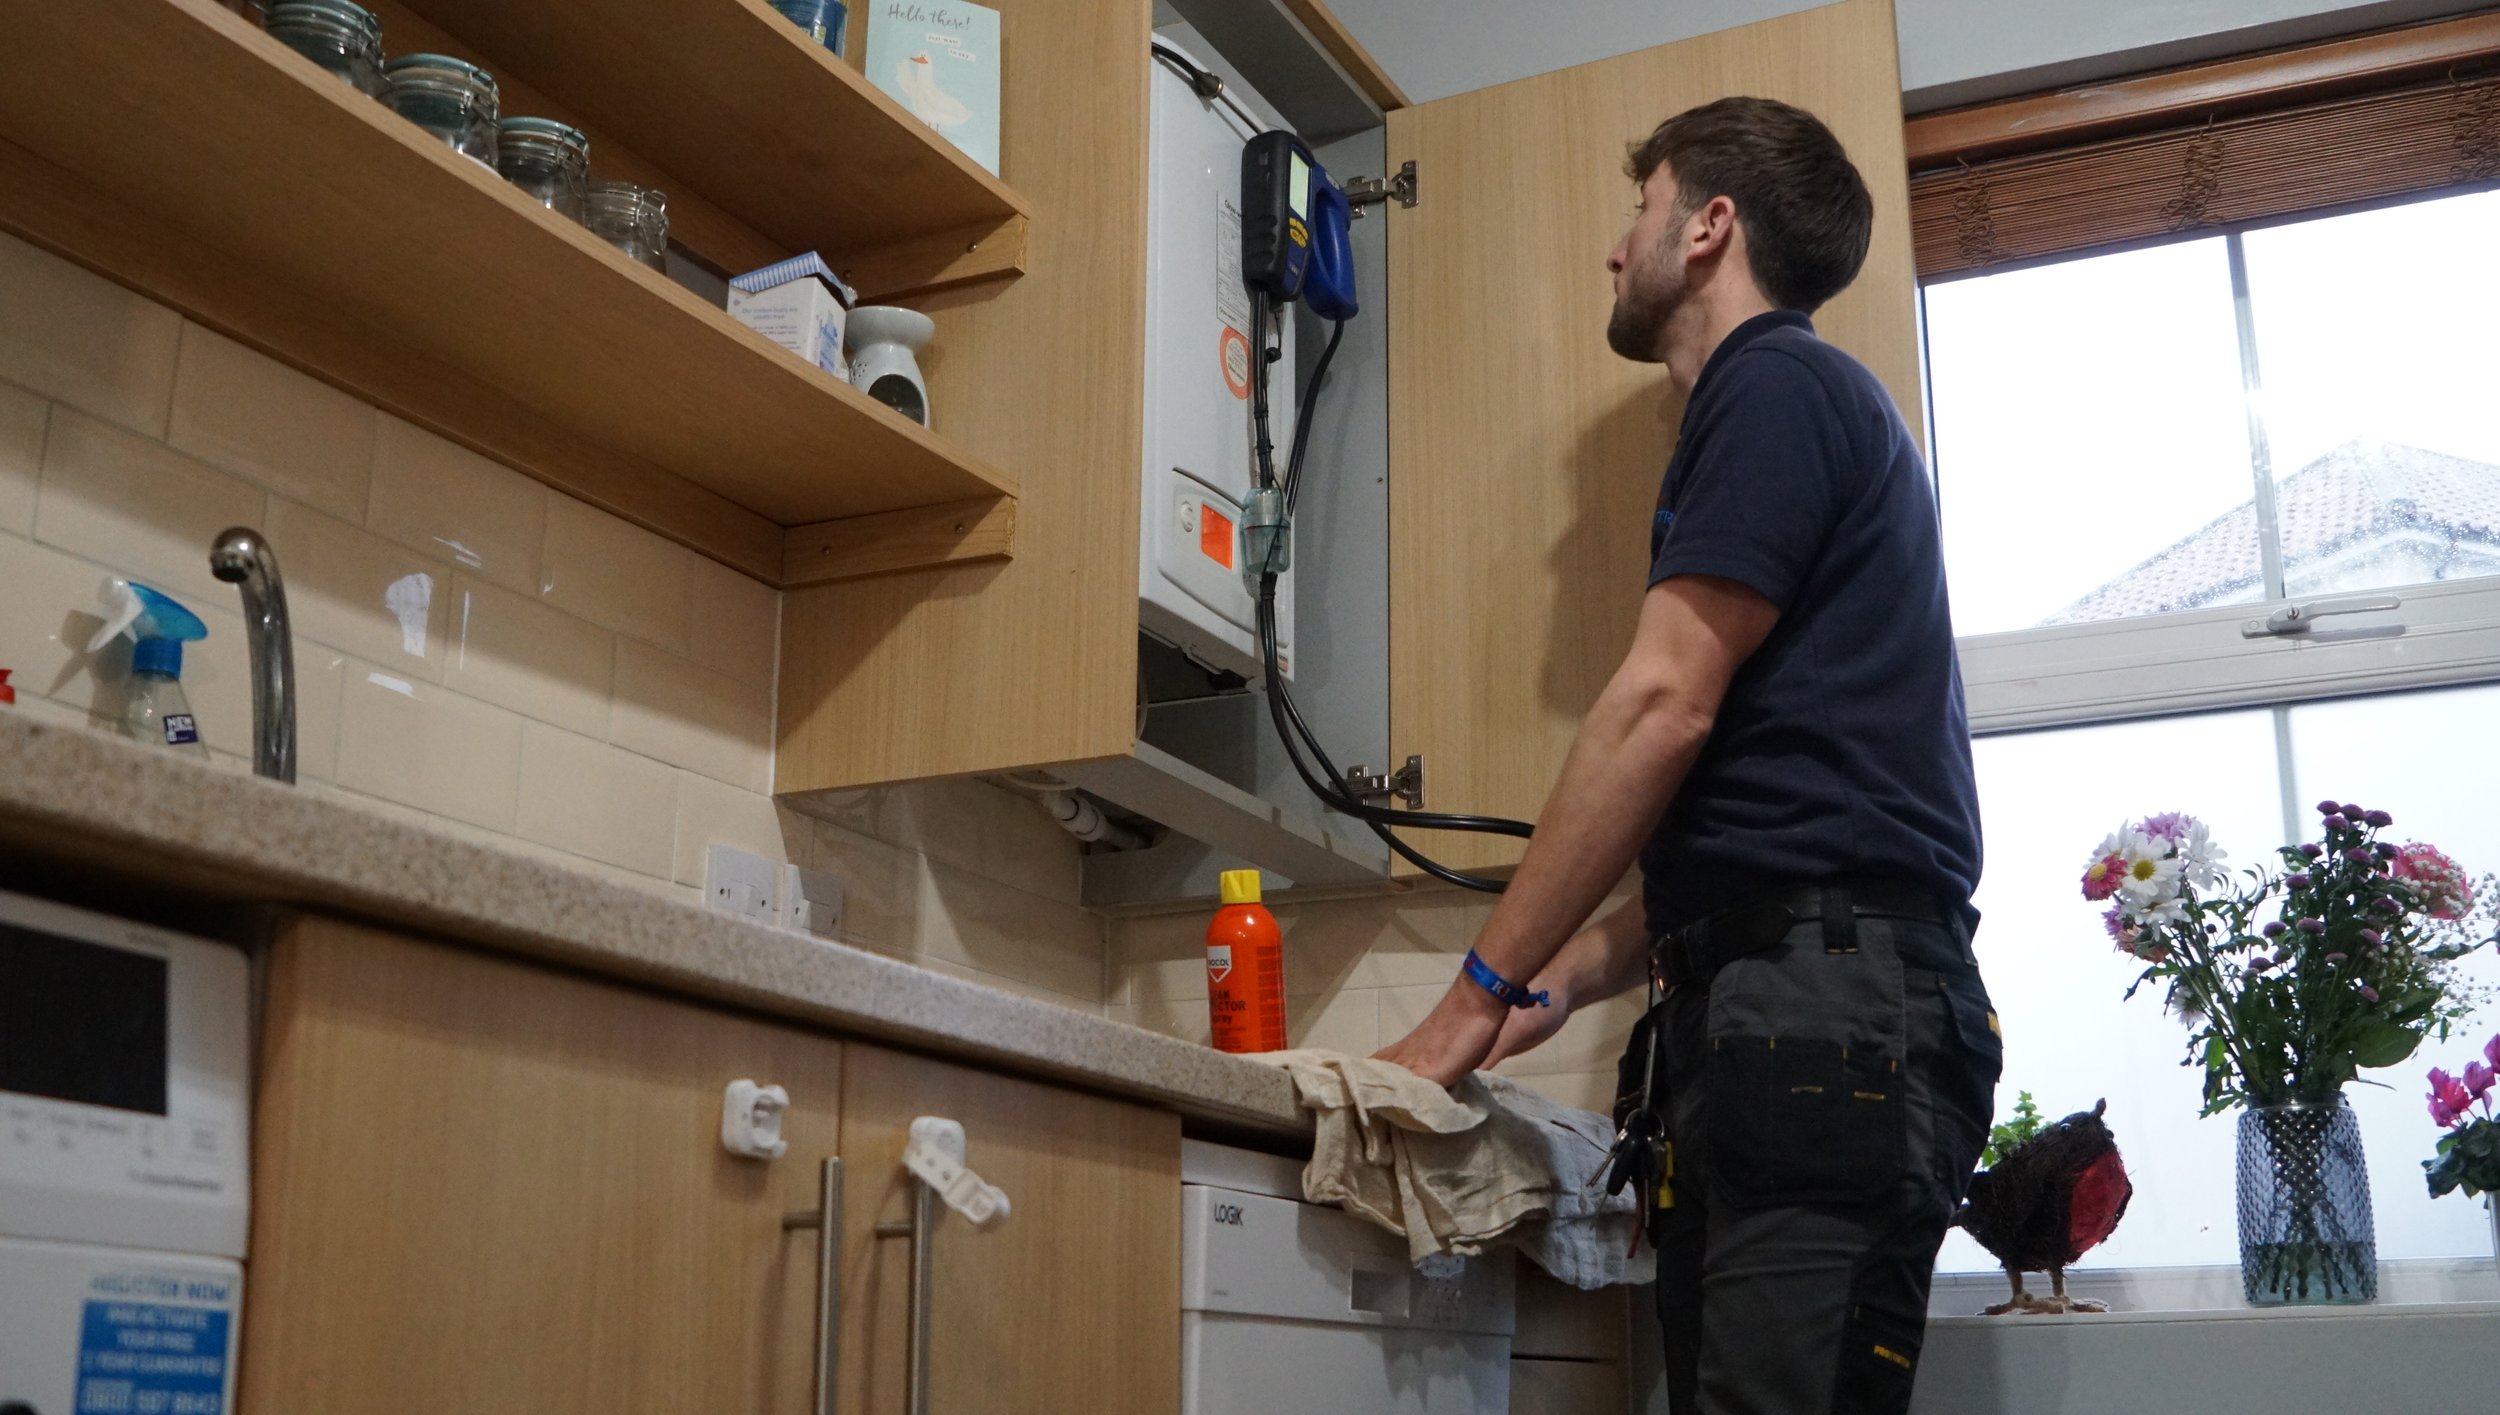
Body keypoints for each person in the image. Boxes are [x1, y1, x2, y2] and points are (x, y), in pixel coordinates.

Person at [1373, 96, 2000, 1415]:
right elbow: (1741, 861)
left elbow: (1662, 705)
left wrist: (1473, 1000)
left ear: (1709, 226)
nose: (1616, 249)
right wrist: (1552, 990)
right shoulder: (1804, 407)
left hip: (1824, 1018)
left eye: (1638, 209)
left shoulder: (1774, 380)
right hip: (1809, 1006)